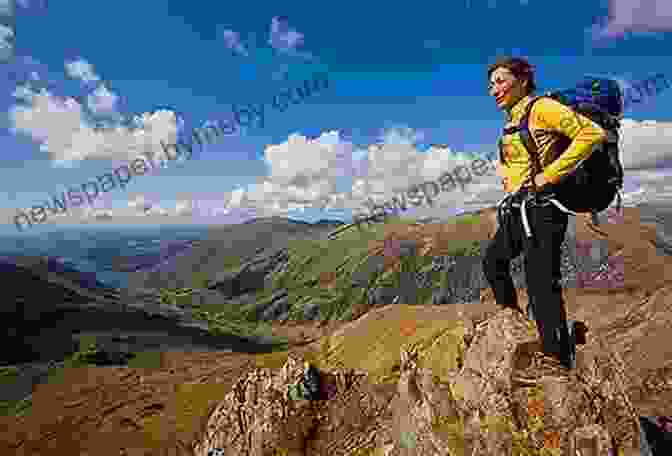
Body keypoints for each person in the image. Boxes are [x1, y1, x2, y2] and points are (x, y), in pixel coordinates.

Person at [483, 57, 608, 382]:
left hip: (543, 209)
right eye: (491, 83)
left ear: (523, 80)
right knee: (493, 262)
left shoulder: (542, 108)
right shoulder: (513, 118)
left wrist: (547, 177)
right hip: (518, 208)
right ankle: (516, 327)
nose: (492, 89)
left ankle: (556, 361)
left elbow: (591, 135)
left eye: (500, 81)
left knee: (541, 284)